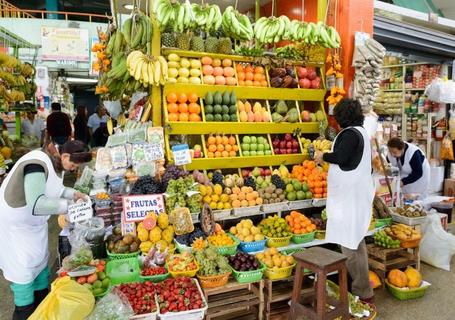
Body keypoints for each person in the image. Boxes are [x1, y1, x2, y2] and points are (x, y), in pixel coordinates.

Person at [0, 140, 92, 319]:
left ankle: (42, 310)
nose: (73, 169)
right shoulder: (36, 164)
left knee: (41, 268)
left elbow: (54, 189)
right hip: (16, 230)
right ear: (65, 156)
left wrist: (74, 194)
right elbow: (37, 204)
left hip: (34, 227)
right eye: (73, 165)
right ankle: (24, 313)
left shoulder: (55, 162)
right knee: (24, 276)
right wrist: (69, 207)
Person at [314, 99, 375, 303]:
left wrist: (322, 156)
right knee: (355, 242)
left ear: (341, 117)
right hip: (356, 197)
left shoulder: (350, 134)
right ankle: (360, 288)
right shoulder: (362, 133)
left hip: (350, 199)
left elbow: (341, 157)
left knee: (350, 245)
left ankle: (362, 292)